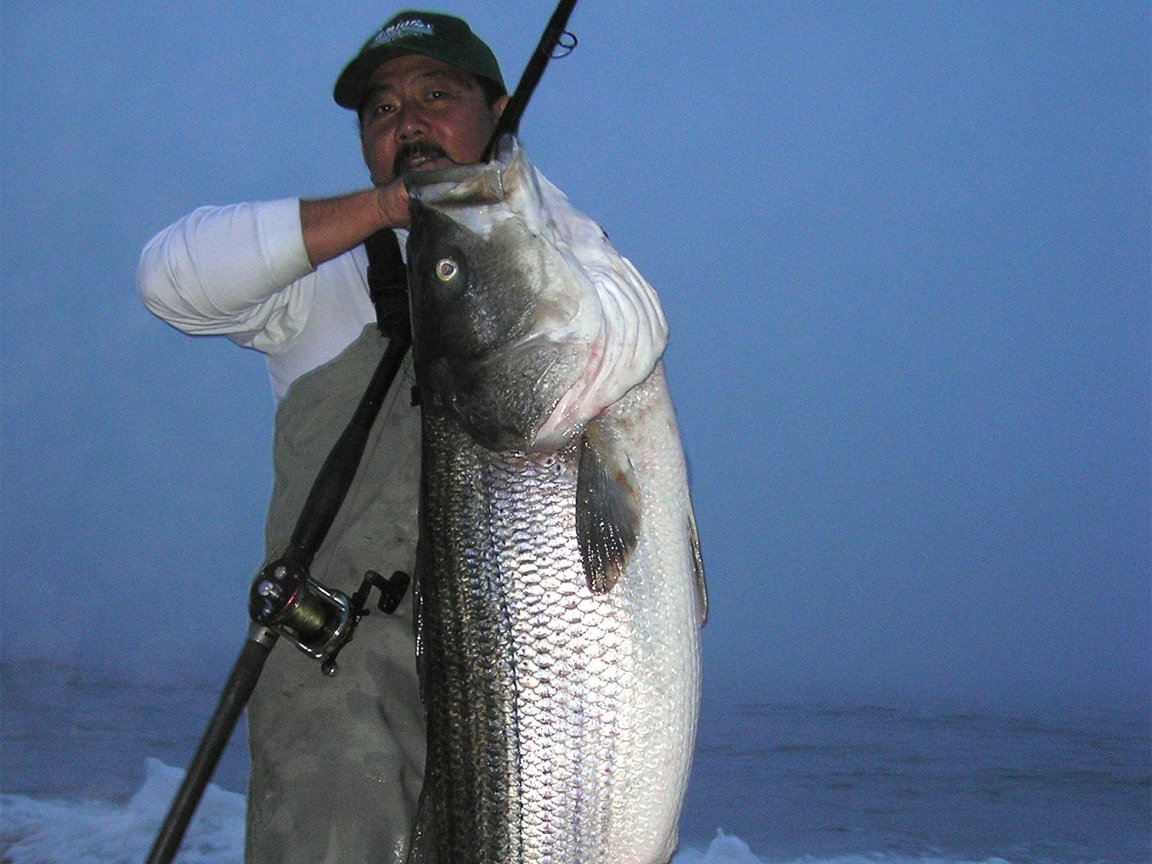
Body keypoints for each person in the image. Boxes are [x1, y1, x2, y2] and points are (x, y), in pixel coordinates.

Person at [138, 12, 508, 863]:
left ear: (501, 110)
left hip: (509, 699)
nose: (407, 120)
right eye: (381, 110)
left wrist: (494, 197)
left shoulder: (557, 281)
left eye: (436, 95)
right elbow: (168, 276)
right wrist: (392, 209)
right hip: (341, 703)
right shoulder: (327, 282)